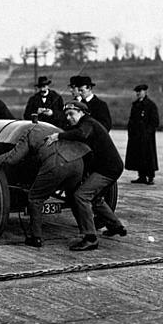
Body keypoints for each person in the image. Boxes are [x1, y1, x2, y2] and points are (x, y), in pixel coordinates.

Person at [0, 123, 91, 248]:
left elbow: (13, 158)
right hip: (78, 164)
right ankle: (86, 232)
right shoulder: (54, 128)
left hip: (56, 164)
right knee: (73, 195)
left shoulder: (29, 132)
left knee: (35, 198)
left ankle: (36, 238)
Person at [46, 101, 126, 251]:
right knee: (95, 198)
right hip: (108, 166)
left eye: (71, 114)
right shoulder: (84, 123)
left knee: (81, 196)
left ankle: (90, 238)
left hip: (107, 169)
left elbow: (82, 134)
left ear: (82, 112)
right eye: (67, 115)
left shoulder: (88, 123)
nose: (69, 117)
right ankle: (116, 226)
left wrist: (59, 136)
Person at [125, 84, 160, 185]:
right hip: (136, 135)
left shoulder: (150, 105)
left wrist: (147, 132)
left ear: (145, 92)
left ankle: (150, 177)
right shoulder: (135, 105)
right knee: (138, 156)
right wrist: (131, 131)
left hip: (146, 137)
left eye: (140, 91)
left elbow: (155, 121)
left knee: (148, 156)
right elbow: (131, 119)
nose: (138, 93)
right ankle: (141, 176)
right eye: (137, 92)